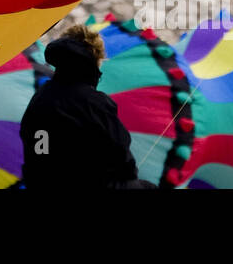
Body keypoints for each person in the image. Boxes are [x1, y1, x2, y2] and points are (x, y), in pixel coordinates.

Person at [19, 24, 147, 188]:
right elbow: (122, 159)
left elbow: (34, 150)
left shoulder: (40, 97)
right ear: (95, 59)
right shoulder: (94, 103)